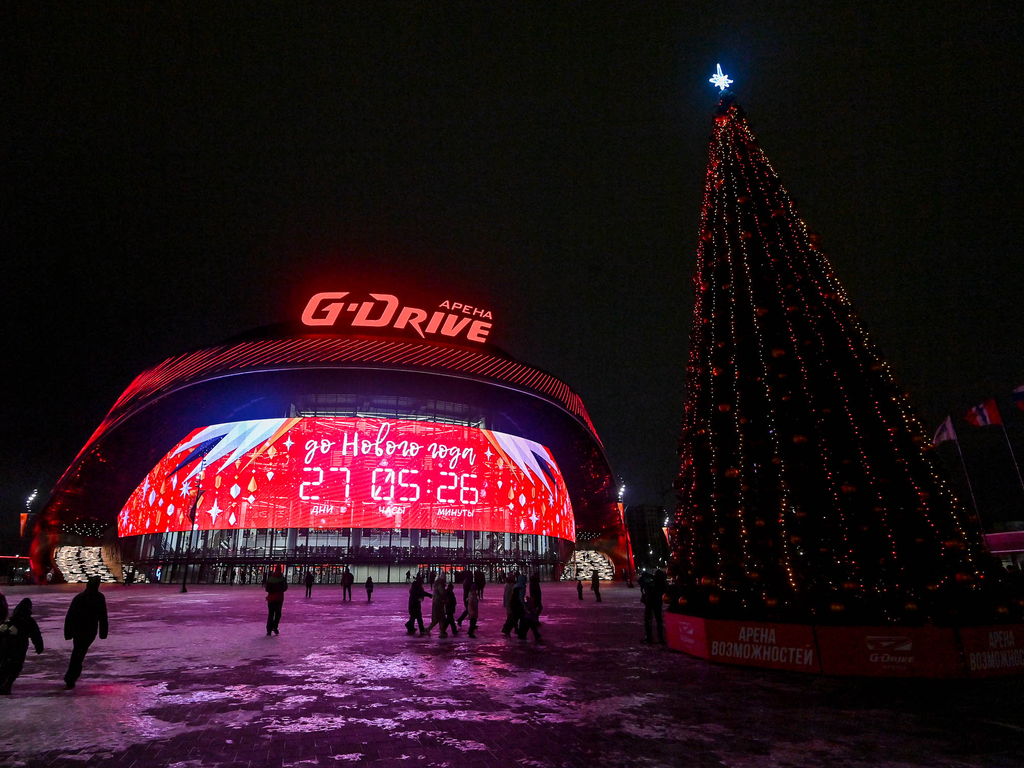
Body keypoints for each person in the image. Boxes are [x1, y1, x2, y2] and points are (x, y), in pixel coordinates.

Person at [63, 576, 108, 689]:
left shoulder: (80, 597)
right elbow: (103, 616)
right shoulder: (99, 597)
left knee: (77, 652)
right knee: (79, 653)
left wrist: (68, 632)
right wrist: (103, 632)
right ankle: (71, 677)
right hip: (89, 630)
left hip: (79, 629)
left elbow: (70, 616)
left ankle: (71, 677)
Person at [0, 599, 44, 694]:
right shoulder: (29, 621)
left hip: (7, 647)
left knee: (6, 665)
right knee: (16, 667)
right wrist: (39, 647)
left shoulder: (11, 620)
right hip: (20, 647)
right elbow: (36, 635)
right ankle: (7, 685)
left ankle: (4, 683)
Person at [643, 569, 667, 644]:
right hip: (657, 602)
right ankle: (660, 638)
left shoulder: (653, 582)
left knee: (648, 619)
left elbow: (644, 586)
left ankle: (649, 637)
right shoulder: (661, 583)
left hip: (650, 601)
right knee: (658, 619)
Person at [265, 566, 288, 635]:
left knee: (271, 614)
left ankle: (269, 630)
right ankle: (275, 627)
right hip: (279, 598)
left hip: (271, 598)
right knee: (278, 614)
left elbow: (267, 589)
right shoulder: (282, 579)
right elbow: (285, 588)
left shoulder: (271, 578)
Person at [500, 572, 516, 636]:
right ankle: (507, 628)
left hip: (510, 604)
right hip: (511, 604)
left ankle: (509, 628)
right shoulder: (511, 586)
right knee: (512, 617)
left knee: (512, 617)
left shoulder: (508, 585)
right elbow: (508, 596)